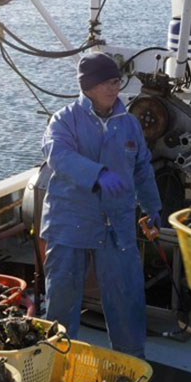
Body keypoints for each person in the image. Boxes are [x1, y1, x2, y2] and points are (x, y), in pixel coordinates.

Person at [40, 53, 162, 358]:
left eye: (117, 81)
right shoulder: (64, 120)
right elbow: (59, 156)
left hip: (117, 226)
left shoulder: (129, 124)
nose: (114, 87)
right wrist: (98, 175)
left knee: (127, 298)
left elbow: (143, 167)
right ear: (88, 86)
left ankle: (131, 363)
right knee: (62, 299)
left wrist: (152, 208)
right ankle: (56, 360)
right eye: (107, 82)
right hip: (70, 222)